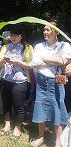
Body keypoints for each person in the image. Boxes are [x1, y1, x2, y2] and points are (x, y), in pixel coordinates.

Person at [30, 19, 71, 147]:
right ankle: (40, 137)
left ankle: (57, 141)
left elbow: (63, 62)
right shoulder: (39, 46)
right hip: (42, 80)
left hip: (58, 79)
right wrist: (56, 59)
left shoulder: (65, 45)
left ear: (56, 32)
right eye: (44, 29)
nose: (45, 32)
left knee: (58, 108)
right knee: (40, 107)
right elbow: (34, 64)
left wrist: (45, 58)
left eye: (48, 29)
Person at [0, 24, 33, 139]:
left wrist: (17, 62)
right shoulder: (6, 47)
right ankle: (7, 125)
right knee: (6, 103)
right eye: (11, 35)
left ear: (21, 36)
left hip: (20, 81)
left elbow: (30, 66)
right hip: (5, 79)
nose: (13, 38)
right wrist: (2, 62)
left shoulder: (27, 48)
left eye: (16, 35)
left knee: (19, 106)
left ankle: (18, 128)